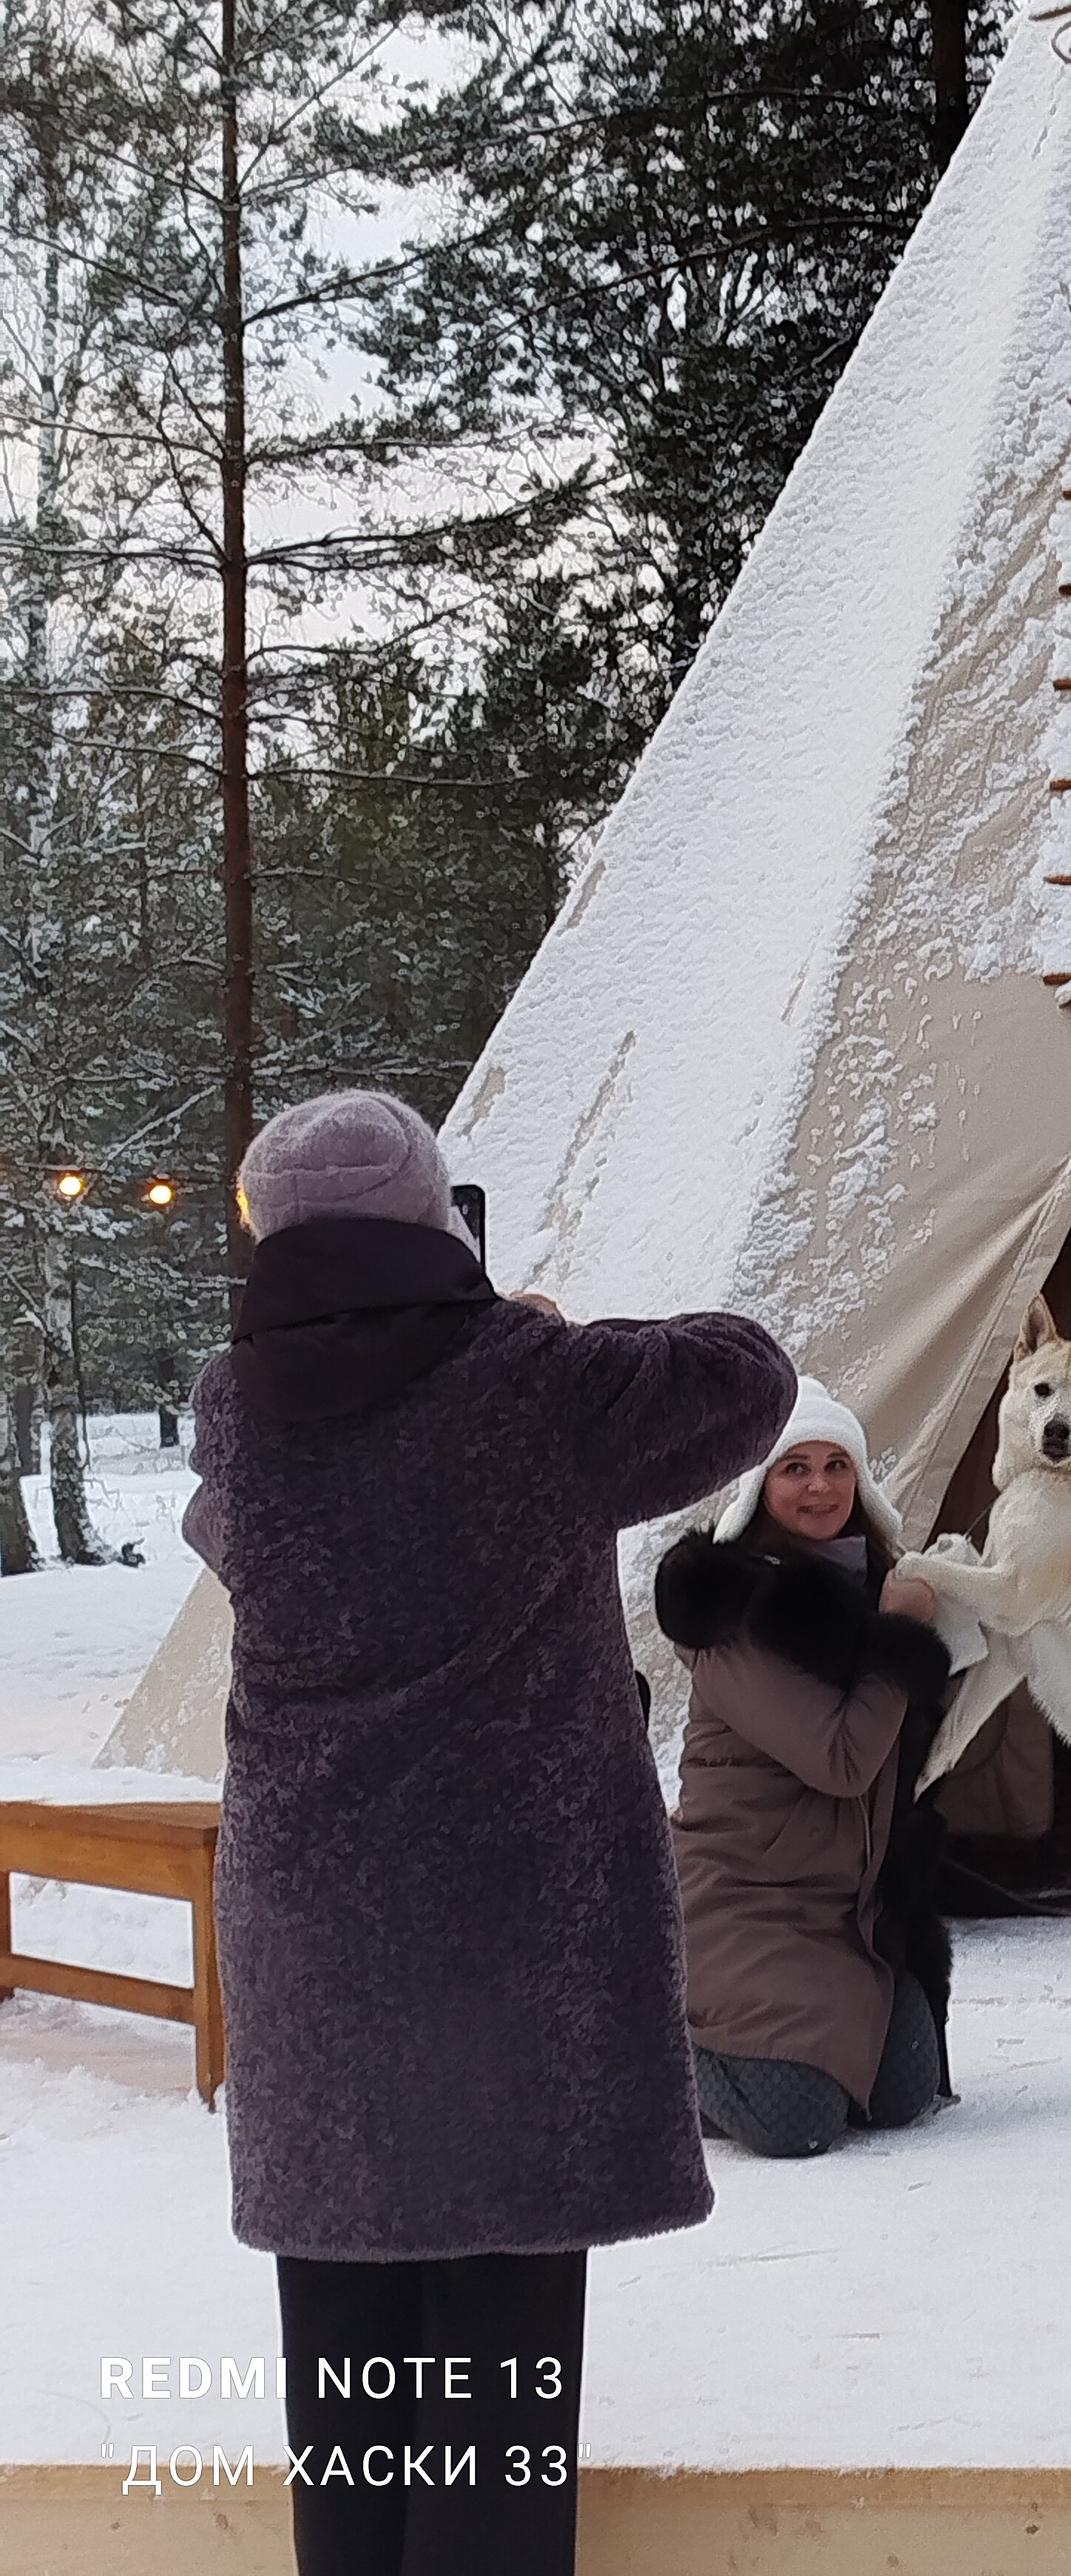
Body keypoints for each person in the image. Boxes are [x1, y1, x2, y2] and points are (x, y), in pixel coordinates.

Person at [183, 1088, 795, 2576]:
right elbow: (749, 1371)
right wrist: (528, 1319)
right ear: (435, 1219)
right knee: (501, 2354)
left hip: (318, 1938)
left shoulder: (235, 1402)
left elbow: (227, 1534)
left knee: (349, 2360)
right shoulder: (534, 1381)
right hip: (513, 1939)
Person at [653, 1378, 955, 2160]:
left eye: (835, 1465)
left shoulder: (866, 1585)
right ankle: (660, 2050)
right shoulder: (731, 1612)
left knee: (904, 2089)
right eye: (795, 1468)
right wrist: (899, 1638)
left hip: (837, 1914)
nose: (819, 1486)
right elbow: (844, 1759)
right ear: (760, 1485)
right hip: (742, 1903)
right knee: (798, 2119)